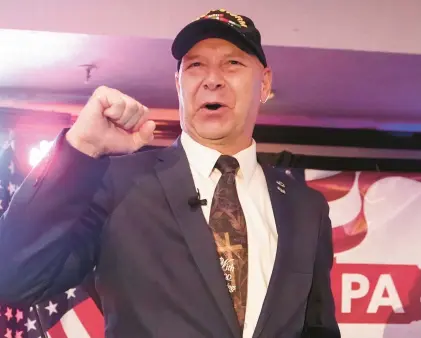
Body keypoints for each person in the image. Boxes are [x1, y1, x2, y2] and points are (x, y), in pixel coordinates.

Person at [0, 9, 340, 338]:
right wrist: (80, 149)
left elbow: (318, 329)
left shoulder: (305, 208)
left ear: (264, 84)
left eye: (232, 63)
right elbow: (14, 277)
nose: (212, 80)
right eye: (195, 66)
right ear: (178, 83)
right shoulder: (120, 183)